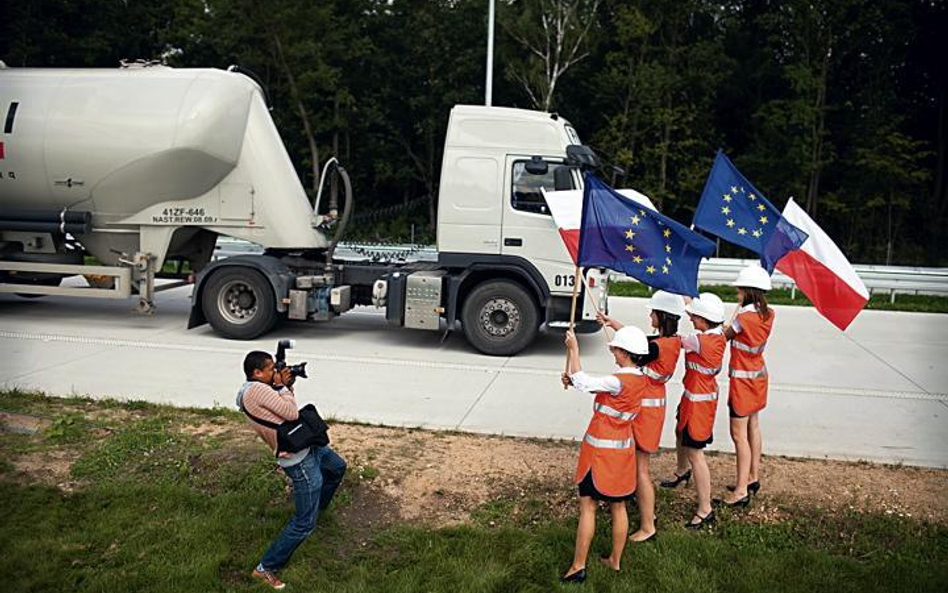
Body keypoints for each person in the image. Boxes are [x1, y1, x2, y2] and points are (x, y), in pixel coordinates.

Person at [237, 350, 347, 590]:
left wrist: (284, 387)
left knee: (337, 467)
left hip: (307, 443)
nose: (274, 372)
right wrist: (283, 388)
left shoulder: (260, 389)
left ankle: (317, 510)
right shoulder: (257, 390)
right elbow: (291, 413)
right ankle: (265, 568)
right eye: (270, 369)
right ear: (257, 373)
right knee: (303, 524)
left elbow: (284, 409)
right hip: (298, 458)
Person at [559, 326, 653, 583]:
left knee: (588, 506)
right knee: (618, 505)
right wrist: (577, 382)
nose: (613, 352)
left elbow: (587, 381)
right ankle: (615, 561)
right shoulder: (639, 379)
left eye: (615, 349)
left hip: (599, 454)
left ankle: (578, 566)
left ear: (624, 353)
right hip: (622, 453)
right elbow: (598, 389)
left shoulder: (617, 380)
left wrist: (573, 350)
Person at [598, 290, 685, 543]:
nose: (649, 315)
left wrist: (616, 344)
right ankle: (642, 511)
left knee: (641, 469)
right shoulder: (671, 341)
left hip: (644, 412)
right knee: (638, 466)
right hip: (652, 408)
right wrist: (613, 324)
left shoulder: (657, 347)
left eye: (653, 312)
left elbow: (635, 347)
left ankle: (648, 525)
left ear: (662, 315)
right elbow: (640, 342)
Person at [671, 293, 726, 530]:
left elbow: (672, 341)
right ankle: (682, 472)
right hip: (696, 396)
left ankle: (705, 509)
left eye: (695, 317)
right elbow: (691, 307)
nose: (691, 318)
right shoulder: (716, 335)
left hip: (698, 404)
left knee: (696, 453)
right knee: (679, 431)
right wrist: (683, 290)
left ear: (704, 320)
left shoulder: (698, 340)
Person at [721, 265, 775, 507]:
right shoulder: (769, 314)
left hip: (742, 382)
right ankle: (753, 476)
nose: (737, 294)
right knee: (754, 426)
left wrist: (728, 324)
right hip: (759, 378)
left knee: (738, 435)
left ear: (749, 292)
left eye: (740, 290)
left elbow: (724, 336)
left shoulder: (743, 319)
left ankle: (741, 490)